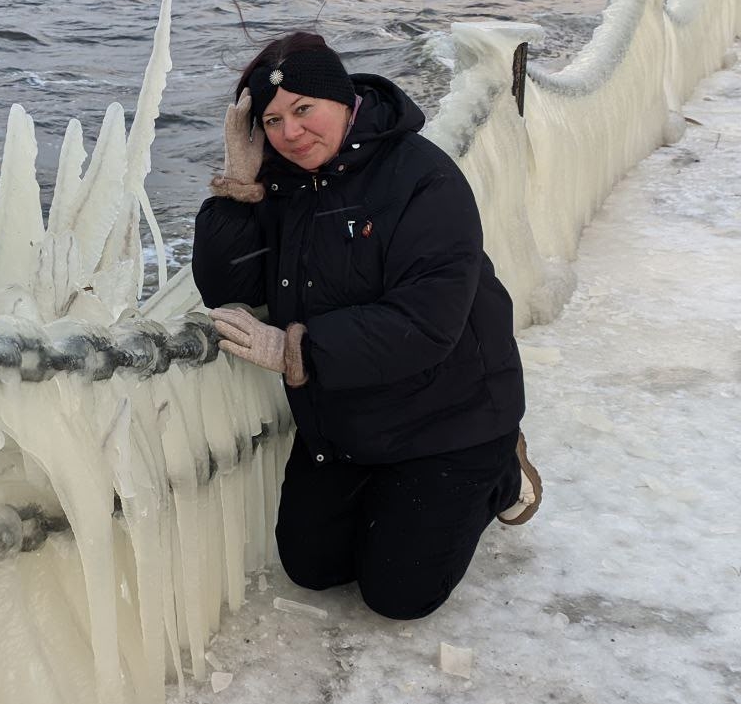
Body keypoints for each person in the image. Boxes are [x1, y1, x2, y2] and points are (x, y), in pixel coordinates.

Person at [193, 31, 541, 621]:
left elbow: (428, 323)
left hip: (451, 416)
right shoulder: (282, 180)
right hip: (348, 418)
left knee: (398, 595)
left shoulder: (422, 180)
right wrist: (240, 183)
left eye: (304, 110)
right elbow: (226, 287)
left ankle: (501, 470)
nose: (291, 133)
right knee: (314, 567)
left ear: (345, 100)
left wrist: (293, 349)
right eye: (272, 120)